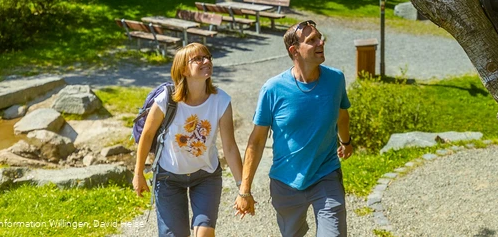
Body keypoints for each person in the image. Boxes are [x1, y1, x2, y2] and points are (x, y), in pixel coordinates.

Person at [234, 20, 353, 237]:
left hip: (325, 174)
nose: (321, 42)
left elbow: (341, 115)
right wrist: (245, 190)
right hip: (285, 181)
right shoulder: (273, 89)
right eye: (312, 40)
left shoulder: (335, 79)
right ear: (294, 50)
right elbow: (257, 141)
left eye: (320, 37)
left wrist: (346, 142)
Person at [133, 43, 244, 237]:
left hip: (206, 176)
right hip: (169, 178)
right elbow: (147, 135)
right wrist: (138, 174)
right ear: (183, 69)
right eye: (198, 59)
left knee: (205, 233)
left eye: (208, 57)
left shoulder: (221, 100)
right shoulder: (166, 99)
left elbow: (230, 146)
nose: (206, 61)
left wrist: (242, 187)